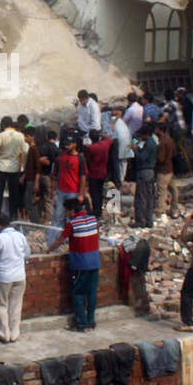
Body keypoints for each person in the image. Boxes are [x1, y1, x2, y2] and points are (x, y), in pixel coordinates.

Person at [48, 197, 101, 331]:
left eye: (66, 211)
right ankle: (91, 321)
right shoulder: (93, 219)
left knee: (78, 293)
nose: (66, 213)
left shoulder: (72, 224)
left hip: (80, 264)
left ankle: (82, 323)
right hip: (94, 261)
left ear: (72, 211)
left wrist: (49, 250)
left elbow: (61, 240)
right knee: (92, 293)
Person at [0, 214, 29, 344]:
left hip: (4, 277)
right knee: (16, 305)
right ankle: (14, 333)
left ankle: (4, 334)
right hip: (20, 275)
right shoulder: (20, 236)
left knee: (1, 306)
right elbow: (27, 254)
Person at [0, 117, 27, 221]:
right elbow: (24, 151)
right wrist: (21, 163)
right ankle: (13, 217)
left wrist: (1, 155)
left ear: (2, 125)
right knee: (13, 194)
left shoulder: (0, 136)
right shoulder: (20, 136)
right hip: (15, 167)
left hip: (1, 167)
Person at [51, 137, 88, 233]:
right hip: (61, 191)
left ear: (75, 144)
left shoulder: (80, 159)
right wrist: (54, 192)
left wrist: (81, 194)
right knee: (58, 216)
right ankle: (56, 237)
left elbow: (83, 177)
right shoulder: (60, 158)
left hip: (73, 192)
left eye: (69, 144)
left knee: (72, 217)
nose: (67, 146)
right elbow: (55, 176)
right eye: (66, 144)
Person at [133, 122, 159, 227]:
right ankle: (149, 221)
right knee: (149, 197)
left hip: (144, 172)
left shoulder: (149, 143)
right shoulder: (151, 142)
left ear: (146, 134)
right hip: (150, 172)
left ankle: (141, 221)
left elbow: (142, 157)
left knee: (141, 198)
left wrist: (134, 149)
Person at [83, 129, 114, 219]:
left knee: (95, 194)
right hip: (103, 173)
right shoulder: (105, 145)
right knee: (100, 193)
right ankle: (99, 211)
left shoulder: (91, 148)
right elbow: (110, 139)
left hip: (93, 173)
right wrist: (101, 134)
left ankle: (97, 212)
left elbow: (87, 159)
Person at [154, 122, 178, 218]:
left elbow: (161, 158)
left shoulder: (162, 142)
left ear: (159, 130)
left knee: (162, 191)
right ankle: (174, 208)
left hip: (163, 171)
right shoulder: (170, 139)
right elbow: (174, 153)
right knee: (173, 189)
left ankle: (161, 211)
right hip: (170, 169)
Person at [110, 106, 132, 184]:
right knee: (123, 163)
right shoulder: (121, 121)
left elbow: (111, 130)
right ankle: (121, 179)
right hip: (127, 144)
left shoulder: (113, 120)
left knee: (118, 163)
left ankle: (119, 181)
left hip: (121, 144)